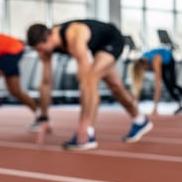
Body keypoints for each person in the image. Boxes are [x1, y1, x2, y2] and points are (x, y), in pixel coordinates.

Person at [26, 19, 152, 151]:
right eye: (37, 51)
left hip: (111, 39)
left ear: (49, 38)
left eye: (40, 49)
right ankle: (140, 120)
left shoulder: (73, 35)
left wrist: (83, 123)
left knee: (90, 78)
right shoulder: (46, 49)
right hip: (96, 47)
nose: (40, 54)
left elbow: (87, 81)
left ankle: (88, 133)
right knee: (115, 86)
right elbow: (46, 83)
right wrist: (44, 118)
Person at [130, 47, 182, 116]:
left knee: (173, 84)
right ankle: (180, 105)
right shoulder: (141, 62)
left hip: (169, 60)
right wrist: (135, 104)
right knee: (168, 86)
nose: (146, 71)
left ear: (146, 65)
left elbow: (158, 85)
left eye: (145, 70)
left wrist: (155, 108)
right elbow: (138, 85)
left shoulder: (155, 60)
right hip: (161, 62)